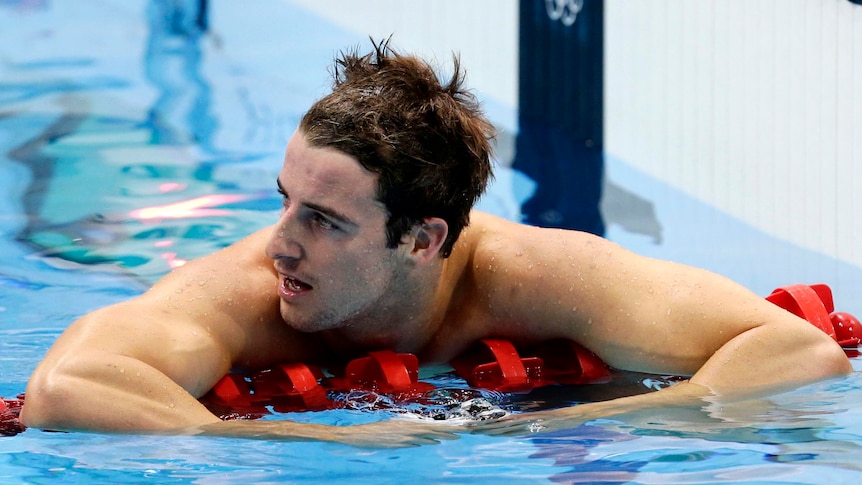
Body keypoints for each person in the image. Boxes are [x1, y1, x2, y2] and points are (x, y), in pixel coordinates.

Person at [21, 40, 851, 446]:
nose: (280, 244)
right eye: (287, 201)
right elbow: (66, 388)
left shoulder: (533, 274)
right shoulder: (240, 295)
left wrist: (598, 418)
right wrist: (325, 438)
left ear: (423, 239)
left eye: (325, 219)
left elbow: (799, 351)